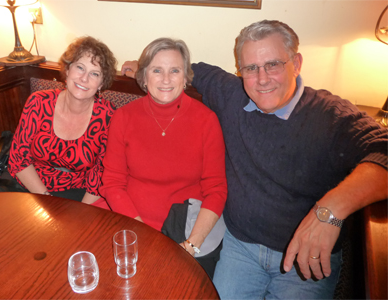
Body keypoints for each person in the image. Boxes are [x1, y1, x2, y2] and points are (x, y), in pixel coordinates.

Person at [123, 20, 388, 298]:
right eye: (251, 68)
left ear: (296, 63)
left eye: (273, 64)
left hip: (304, 258)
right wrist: (141, 66)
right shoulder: (231, 94)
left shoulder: (330, 115)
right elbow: (190, 69)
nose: (262, 79)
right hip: (240, 248)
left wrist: (329, 211)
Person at [94, 38, 227, 278]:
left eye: (174, 70)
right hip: (129, 218)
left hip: (183, 226)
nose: (166, 79)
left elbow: (216, 189)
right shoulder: (124, 117)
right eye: (157, 70)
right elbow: (112, 182)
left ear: (185, 77)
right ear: (144, 77)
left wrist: (192, 245)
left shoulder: (206, 121)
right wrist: (141, 233)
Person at [8, 36, 117, 203]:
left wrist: (83, 211)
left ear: (101, 84)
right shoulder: (39, 102)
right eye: (80, 68)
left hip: (78, 194)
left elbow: (101, 173)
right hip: (30, 186)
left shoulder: (108, 115)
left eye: (94, 73)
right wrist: (46, 199)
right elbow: (19, 158)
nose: (84, 78)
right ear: (67, 70)